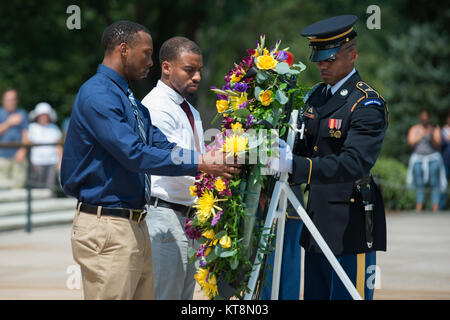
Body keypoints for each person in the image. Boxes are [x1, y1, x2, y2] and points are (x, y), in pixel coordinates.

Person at [60, 21, 239, 300]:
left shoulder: (126, 96)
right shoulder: (98, 94)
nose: (150, 62)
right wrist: (200, 163)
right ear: (123, 50)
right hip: (106, 224)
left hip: (133, 223)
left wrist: (206, 158)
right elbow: (134, 154)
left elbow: (158, 143)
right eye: (146, 53)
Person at [269, 15, 388, 300]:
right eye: (319, 58)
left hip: (351, 223)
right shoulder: (316, 97)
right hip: (317, 219)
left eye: (330, 59)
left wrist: (296, 165)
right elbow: (304, 147)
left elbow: (354, 163)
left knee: (348, 295)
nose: (322, 65)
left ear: (353, 55)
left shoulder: (366, 104)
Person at [140, 36, 205, 299]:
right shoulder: (155, 106)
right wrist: (215, 170)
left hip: (188, 217)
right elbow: (175, 161)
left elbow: (196, 157)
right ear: (167, 67)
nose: (197, 77)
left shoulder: (188, 109)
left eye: (199, 70)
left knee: (184, 296)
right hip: (165, 215)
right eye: (189, 70)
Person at [407, 110, 447, 212]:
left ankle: (435, 206)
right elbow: (411, 143)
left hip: (433, 158)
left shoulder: (435, 129)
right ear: (420, 118)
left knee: (434, 182)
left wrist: (432, 134)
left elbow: (438, 144)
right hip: (418, 159)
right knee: (419, 183)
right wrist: (422, 134)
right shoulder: (415, 129)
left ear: (429, 118)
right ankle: (419, 205)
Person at [28, 102, 62, 195]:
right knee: (37, 188)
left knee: (50, 189)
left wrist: (59, 161)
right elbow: (28, 146)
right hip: (36, 162)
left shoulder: (54, 128)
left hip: (51, 162)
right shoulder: (31, 128)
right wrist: (30, 162)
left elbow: (58, 146)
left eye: (45, 115)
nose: (44, 117)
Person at [0, 88, 28, 189]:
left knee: (18, 188)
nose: (11, 102)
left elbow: (26, 134)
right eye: (9, 99)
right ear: (3, 100)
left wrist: (23, 150)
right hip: (2, 157)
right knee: (2, 189)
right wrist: (9, 122)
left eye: (13, 99)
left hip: (18, 156)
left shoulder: (22, 113)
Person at [440, 111, 450, 209]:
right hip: (446, 162)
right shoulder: (442, 130)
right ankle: (441, 207)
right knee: (443, 185)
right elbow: (440, 143)